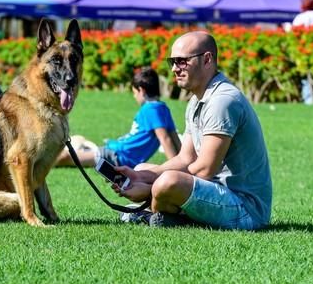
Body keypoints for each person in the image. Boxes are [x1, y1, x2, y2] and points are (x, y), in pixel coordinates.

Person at [113, 31, 272, 230]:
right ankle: (168, 214)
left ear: (207, 59)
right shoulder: (197, 99)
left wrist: (152, 185)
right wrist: (142, 177)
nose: (174, 69)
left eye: (181, 61)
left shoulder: (222, 101)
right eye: (172, 61)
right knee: (141, 169)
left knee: (168, 181)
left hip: (245, 210)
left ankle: (151, 214)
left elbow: (205, 169)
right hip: (216, 193)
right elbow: (185, 159)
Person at [56, 67, 181, 167]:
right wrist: (182, 161)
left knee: (66, 158)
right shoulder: (163, 108)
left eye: (134, 93)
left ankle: (41, 162)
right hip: (115, 152)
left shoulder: (150, 109)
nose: (134, 97)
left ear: (141, 90)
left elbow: (165, 138)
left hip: (116, 156)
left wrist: (177, 168)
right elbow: (174, 137)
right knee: (71, 154)